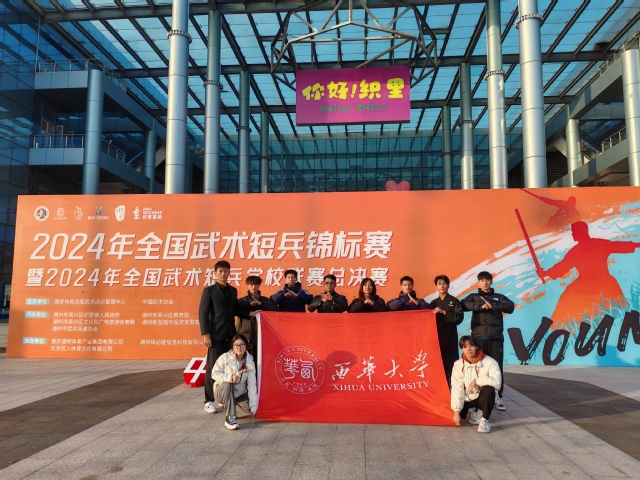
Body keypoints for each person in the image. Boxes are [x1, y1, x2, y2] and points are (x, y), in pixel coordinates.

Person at [461, 271, 514, 412]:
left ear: (491, 281)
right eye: (482, 280)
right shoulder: (474, 297)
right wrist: (480, 306)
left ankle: (497, 397)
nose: (485, 283)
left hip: (495, 338)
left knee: (497, 368)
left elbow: (510, 307)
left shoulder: (498, 297)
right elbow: (462, 304)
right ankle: (475, 396)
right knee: (477, 367)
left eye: (487, 280)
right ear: (478, 283)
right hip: (478, 339)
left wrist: (494, 306)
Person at [198, 260, 239, 415]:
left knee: (229, 366)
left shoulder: (233, 290)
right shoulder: (209, 291)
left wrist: (252, 312)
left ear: (229, 272)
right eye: (220, 271)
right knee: (212, 367)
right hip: (215, 335)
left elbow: (236, 310)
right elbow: (203, 314)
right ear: (215, 273)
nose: (223, 274)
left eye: (226, 271)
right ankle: (208, 400)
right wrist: (206, 335)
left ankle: (222, 396)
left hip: (230, 334)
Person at [451, 336, 501, 434]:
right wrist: (456, 411)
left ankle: (484, 420)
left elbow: (497, 382)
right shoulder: (458, 364)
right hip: (467, 398)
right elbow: (457, 388)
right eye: (465, 346)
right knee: (452, 412)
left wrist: (476, 381)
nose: (468, 349)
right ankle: (475, 411)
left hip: (482, 397)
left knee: (488, 389)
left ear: (476, 346)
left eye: (471, 345)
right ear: (461, 348)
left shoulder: (490, 362)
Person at [212, 334, 258, 430]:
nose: (239, 347)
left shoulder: (250, 362)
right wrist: (229, 378)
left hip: (239, 394)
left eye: (242, 345)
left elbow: (252, 385)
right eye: (236, 345)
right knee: (228, 384)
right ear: (232, 346)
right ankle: (230, 417)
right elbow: (214, 374)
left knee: (253, 408)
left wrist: (254, 407)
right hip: (222, 392)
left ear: (246, 345)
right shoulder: (225, 357)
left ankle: (230, 406)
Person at [429, 275, 464, 388]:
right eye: (439, 284)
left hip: (450, 341)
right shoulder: (433, 303)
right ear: (436, 286)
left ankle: (455, 393)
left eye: (444, 283)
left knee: (452, 370)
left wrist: (444, 312)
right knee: (439, 370)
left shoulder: (454, 301)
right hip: (437, 342)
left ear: (448, 286)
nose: (442, 286)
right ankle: (443, 393)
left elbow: (459, 318)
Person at [236, 275, 278, 361]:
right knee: (244, 361)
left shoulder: (265, 300)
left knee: (260, 361)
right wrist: (249, 305)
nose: (253, 287)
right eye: (251, 284)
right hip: (245, 334)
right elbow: (235, 310)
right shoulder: (241, 301)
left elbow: (276, 309)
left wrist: (261, 304)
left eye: (256, 284)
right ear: (247, 285)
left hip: (262, 335)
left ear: (259, 285)